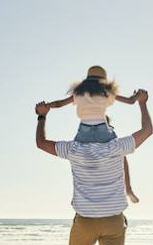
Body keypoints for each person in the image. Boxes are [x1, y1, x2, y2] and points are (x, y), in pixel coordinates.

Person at [34, 90, 153, 245]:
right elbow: (147, 130)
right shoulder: (117, 147)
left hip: (86, 219)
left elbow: (41, 144)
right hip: (113, 220)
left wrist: (42, 117)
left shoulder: (74, 149)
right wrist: (141, 104)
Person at [37, 65, 142, 203]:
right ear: (104, 80)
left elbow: (59, 104)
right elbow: (130, 101)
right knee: (120, 154)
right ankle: (128, 189)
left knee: (77, 157)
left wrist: (45, 107)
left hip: (84, 131)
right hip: (103, 130)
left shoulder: (79, 93)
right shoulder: (106, 92)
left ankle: (81, 195)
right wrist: (137, 96)